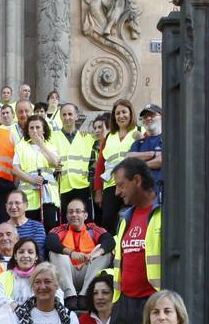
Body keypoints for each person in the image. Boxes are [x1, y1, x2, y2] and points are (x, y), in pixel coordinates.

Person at [107, 159, 162, 324]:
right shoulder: (125, 218)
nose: (117, 192)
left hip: (152, 302)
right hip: (123, 303)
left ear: (137, 180)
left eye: (121, 185)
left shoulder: (165, 213)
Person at [47, 197, 112, 308]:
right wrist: (71, 253)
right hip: (67, 274)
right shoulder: (60, 229)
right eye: (70, 212)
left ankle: (85, 294)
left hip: (88, 270)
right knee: (54, 253)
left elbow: (109, 241)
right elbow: (50, 241)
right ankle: (70, 295)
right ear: (66, 216)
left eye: (78, 211)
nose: (74, 215)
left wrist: (95, 254)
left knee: (105, 253)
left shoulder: (93, 229)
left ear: (85, 215)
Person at [13, 113, 61, 229]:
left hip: (48, 196)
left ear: (44, 130)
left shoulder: (51, 146)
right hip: (28, 197)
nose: (34, 131)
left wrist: (41, 145)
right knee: (30, 228)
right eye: (31, 128)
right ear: (27, 131)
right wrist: (32, 180)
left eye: (38, 127)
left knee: (49, 227)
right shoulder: (21, 146)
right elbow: (15, 169)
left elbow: (55, 163)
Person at [98, 99, 139, 234]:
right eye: (117, 113)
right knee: (108, 220)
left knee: (130, 218)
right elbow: (100, 165)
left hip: (132, 183)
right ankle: (109, 252)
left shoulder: (139, 132)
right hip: (111, 185)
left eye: (124, 112)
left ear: (131, 113)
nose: (121, 116)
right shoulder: (109, 136)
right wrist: (98, 191)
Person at [52, 102, 96, 222]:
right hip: (62, 187)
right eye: (64, 114)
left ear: (76, 116)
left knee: (85, 223)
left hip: (82, 186)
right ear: (60, 117)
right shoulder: (52, 137)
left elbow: (95, 160)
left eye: (70, 114)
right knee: (64, 223)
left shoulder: (87, 137)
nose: (67, 117)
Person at [0, 237, 43, 309]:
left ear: (36, 257)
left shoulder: (45, 276)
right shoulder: (2, 278)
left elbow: (56, 297)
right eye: (21, 252)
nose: (25, 255)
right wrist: (14, 306)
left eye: (30, 252)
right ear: (15, 256)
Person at [130, 103, 164, 198]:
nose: (148, 118)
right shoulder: (139, 143)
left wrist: (141, 165)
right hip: (142, 195)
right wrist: (154, 154)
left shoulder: (168, 138)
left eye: (152, 115)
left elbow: (163, 160)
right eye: (145, 117)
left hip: (162, 193)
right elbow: (129, 159)